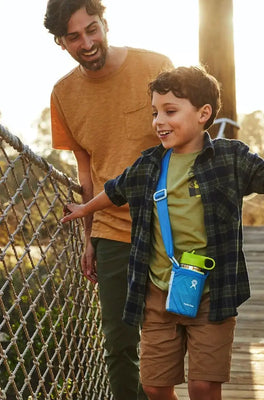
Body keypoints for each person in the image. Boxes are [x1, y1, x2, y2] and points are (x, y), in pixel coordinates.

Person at [61, 65, 264, 400]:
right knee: (155, 387)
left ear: (204, 114)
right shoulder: (148, 165)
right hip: (158, 291)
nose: (159, 121)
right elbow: (116, 190)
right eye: (155, 112)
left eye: (170, 111)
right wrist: (84, 209)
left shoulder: (230, 158)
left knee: (204, 387)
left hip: (211, 292)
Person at [44, 1, 173, 399]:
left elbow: (186, 142)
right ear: (61, 42)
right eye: (74, 36)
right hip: (112, 231)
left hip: (172, 226)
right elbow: (86, 173)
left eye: (92, 29)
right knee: (119, 346)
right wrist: (88, 237)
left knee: (169, 346)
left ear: (105, 23)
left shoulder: (156, 66)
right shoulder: (63, 95)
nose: (87, 42)